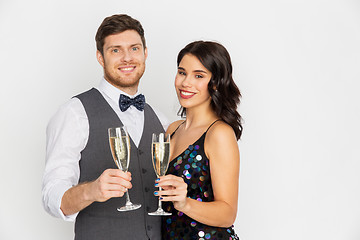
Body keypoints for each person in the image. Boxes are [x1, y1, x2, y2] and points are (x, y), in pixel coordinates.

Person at [42, 14, 168, 240]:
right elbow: (52, 198)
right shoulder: (74, 113)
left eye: (134, 49)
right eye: (115, 50)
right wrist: (91, 190)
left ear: (145, 53)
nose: (127, 58)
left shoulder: (161, 120)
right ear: (100, 57)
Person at [156, 41, 242, 239]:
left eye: (198, 76)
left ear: (216, 83)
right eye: (182, 72)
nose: (186, 82)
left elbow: (228, 214)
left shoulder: (219, 133)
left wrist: (185, 203)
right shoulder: (172, 129)